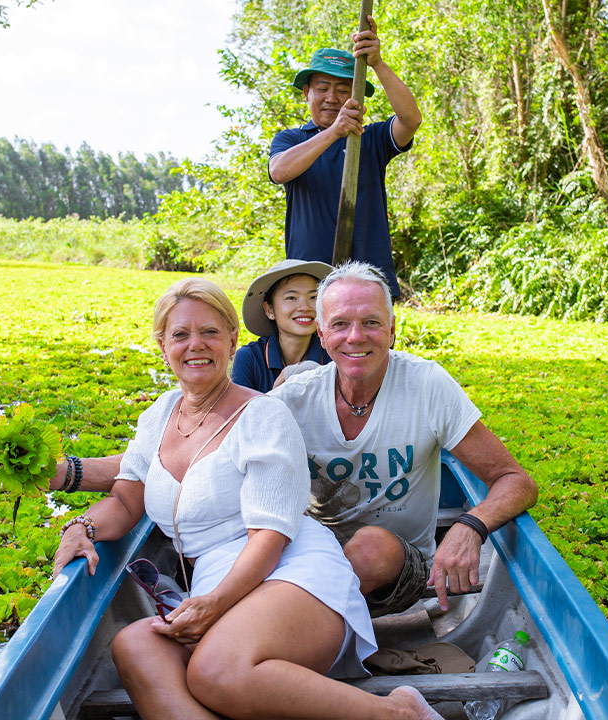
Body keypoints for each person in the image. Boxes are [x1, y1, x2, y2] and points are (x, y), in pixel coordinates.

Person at [51, 278, 443, 720]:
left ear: (234, 340)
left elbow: (269, 538)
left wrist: (213, 605)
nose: (195, 345)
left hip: (291, 575)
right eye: (180, 334)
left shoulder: (262, 415)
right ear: (162, 345)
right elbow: (124, 503)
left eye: (211, 332)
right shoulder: (157, 416)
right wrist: (81, 529)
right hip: (215, 590)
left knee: (215, 671)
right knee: (135, 645)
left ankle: (397, 713)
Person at [269, 262, 539, 616]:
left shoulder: (426, 385)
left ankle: (290, 623)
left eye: (371, 322)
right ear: (321, 334)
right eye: (340, 324)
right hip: (312, 558)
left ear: (392, 330)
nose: (355, 337)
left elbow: (515, 481)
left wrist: (470, 525)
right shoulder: (294, 398)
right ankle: (297, 620)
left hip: (398, 569)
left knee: (370, 547)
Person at [268, 17, 421, 299]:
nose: (332, 97)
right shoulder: (291, 140)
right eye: (322, 88)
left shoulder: (371, 139)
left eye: (342, 90)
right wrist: (334, 132)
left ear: (357, 97)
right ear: (306, 93)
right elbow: (279, 171)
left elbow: (411, 120)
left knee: (366, 343)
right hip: (308, 281)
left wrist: (377, 63)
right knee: (312, 343)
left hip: (368, 279)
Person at [232, 258, 334, 392]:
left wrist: (308, 370)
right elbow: (243, 412)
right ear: (269, 310)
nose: (304, 307)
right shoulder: (250, 358)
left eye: (313, 297)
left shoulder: (333, 354)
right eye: (291, 298)